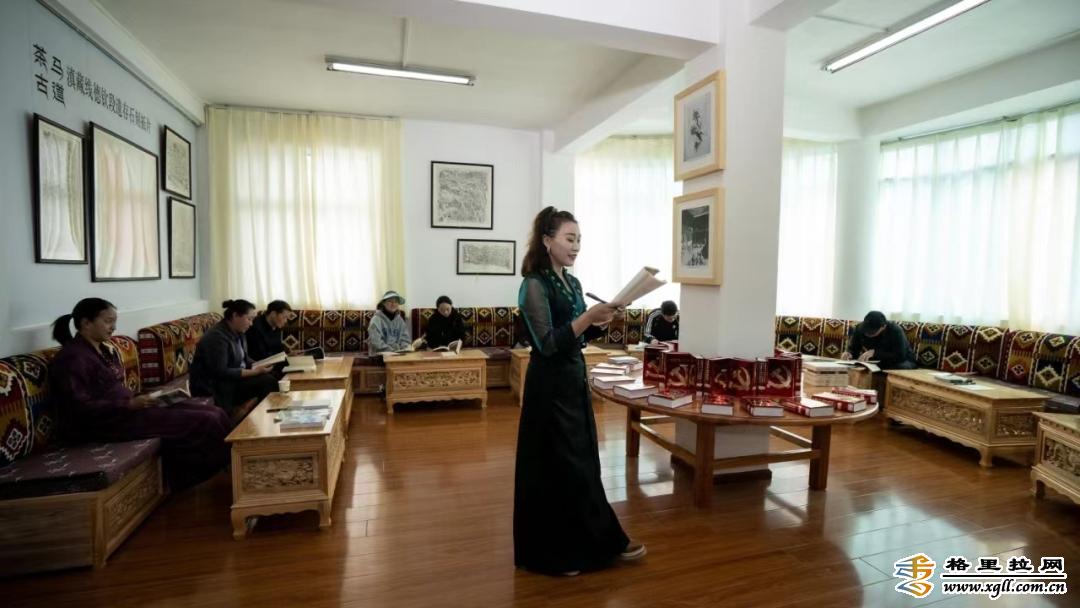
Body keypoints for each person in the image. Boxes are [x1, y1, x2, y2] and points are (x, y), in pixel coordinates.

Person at [514, 206, 645, 576]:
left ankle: (600, 539)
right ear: (547, 240)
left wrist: (605, 318)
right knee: (558, 467)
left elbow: (580, 336)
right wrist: (588, 316)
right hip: (548, 386)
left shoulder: (572, 284)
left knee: (584, 462)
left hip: (573, 378)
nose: (576, 247)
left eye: (579, 240)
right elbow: (547, 344)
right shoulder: (533, 285)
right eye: (569, 239)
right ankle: (557, 555)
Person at [49, 298, 231, 490]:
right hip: (105, 422)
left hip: (128, 409)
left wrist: (148, 399)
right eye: (108, 321)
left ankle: (233, 462)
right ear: (86, 323)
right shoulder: (72, 358)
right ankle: (199, 475)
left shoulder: (101, 349)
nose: (113, 327)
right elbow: (79, 408)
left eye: (114, 322)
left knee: (215, 412)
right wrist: (129, 404)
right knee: (206, 420)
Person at [189, 299, 277, 417]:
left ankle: (264, 417)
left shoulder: (239, 332)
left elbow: (245, 359)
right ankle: (265, 419)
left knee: (272, 375)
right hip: (216, 387)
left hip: (232, 381)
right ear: (235, 315)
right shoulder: (217, 337)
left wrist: (261, 364)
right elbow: (221, 372)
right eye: (249, 319)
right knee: (267, 382)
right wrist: (255, 372)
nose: (251, 324)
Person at [842, 310, 917, 369]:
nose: (867, 334)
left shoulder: (895, 330)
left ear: (883, 327)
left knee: (895, 367)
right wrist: (849, 353)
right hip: (876, 361)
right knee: (860, 366)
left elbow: (900, 356)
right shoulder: (859, 328)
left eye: (872, 332)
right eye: (866, 330)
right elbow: (854, 349)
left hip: (903, 361)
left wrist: (875, 353)